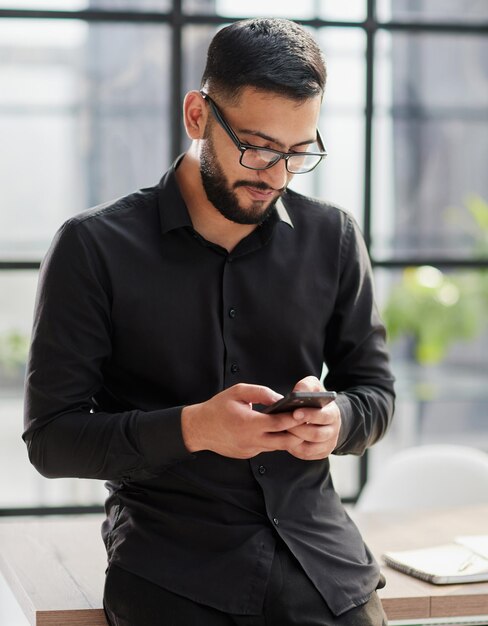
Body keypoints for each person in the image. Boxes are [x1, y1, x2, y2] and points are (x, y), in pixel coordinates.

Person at [23, 17, 395, 626]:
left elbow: (376, 395)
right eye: (256, 146)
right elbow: (52, 440)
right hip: (172, 572)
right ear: (198, 116)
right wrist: (195, 428)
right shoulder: (92, 248)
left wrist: (338, 422)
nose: (274, 175)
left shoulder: (334, 238)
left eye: (298, 153)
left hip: (323, 568)